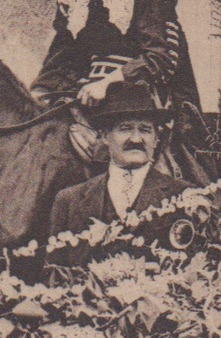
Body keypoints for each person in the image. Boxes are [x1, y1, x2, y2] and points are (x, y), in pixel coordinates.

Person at [33, 0, 207, 182]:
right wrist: (39, 94)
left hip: (141, 97)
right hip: (87, 100)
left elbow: (160, 59)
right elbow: (59, 64)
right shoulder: (72, 1)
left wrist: (108, 82)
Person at [48, 82, 194, 261]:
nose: (136, 139)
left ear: (156, 139)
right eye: (125, 128)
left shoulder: (184, 196)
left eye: (145, 130)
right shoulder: (68, 201)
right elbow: (54, 274)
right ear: (105, 136)